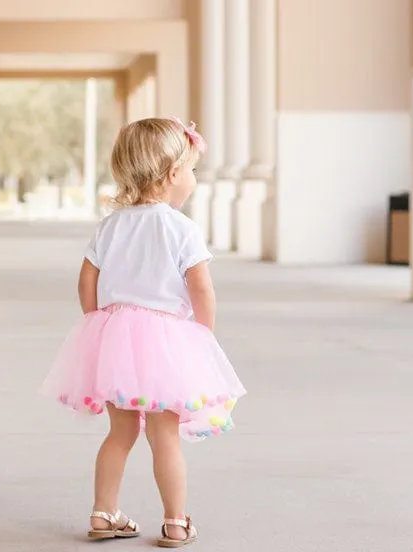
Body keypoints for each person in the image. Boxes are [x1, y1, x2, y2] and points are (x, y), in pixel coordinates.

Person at [40, 117, 246, 548]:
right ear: (172, 175)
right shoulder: (181, 228)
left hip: (117, 339)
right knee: (163, 435)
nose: (191, 178)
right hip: (166, 345)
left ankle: (103, 513)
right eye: (190, 169)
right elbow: (201, 287)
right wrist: (201, 336)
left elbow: (85, 283)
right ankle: (174, 522)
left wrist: (99, 325)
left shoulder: (110, 225)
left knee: (120, 433)